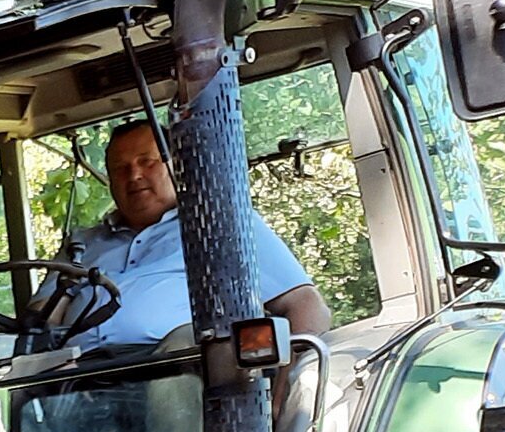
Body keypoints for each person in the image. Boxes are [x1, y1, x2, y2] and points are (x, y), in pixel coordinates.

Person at [61, 118, 335, 347]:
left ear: (176, 166)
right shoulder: (82, 244)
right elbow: (41, 320)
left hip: (177, 370)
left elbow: (305, 304)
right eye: (120, 169)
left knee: (189, 339)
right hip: (74, 381)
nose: (133, 176)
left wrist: (286, 388)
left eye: (147, 162)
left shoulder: (222, 225)